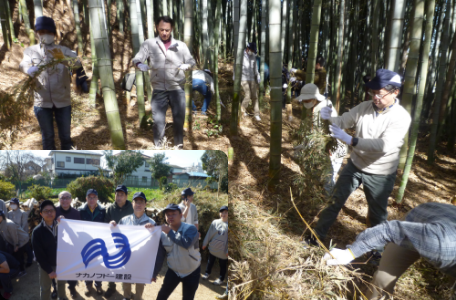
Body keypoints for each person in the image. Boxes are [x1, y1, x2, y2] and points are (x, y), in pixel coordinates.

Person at [309, 69, 412, 250]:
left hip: (380, 173)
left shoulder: (401, 117)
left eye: (379, 94)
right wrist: (329, 118)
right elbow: (343, 121)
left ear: (395, 92)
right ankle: (315, 237)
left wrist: (351, 140)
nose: (375, 98)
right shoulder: (365, 107)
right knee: (334, 202)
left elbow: (384, 145)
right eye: (373, 93)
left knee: (377, 215)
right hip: (355, 165)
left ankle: (376, 253)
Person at [323, 202, 456, 299]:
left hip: (443, 225)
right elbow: (389, 230)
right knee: (382, 281)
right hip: (422, 220)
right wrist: (350, 253)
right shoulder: (443, 245)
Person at [132, 15, 196, 148]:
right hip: (159, 88)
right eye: (161, 30)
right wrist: (139, 64)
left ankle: (179, 146)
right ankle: (159, 147)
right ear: (156, 28)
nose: (164, 33)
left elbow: (191, 61)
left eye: (167, 30)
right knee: (158, 121)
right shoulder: (149, 44)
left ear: (171, 29)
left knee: (179, 120)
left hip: (177, 88)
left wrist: (187, 66)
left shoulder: (181, 45)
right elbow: (137, 58)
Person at [19, 16, 81, 150]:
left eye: (49, 32)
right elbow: (22, 64)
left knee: (65, 136)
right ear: (37, 33)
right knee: (47, 136)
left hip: (63, 100)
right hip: (42, 100)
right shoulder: (31, 51)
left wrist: (64, 59)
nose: (45, 35)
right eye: (42, 32)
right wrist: (29, 69)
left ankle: (67, 153)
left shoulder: (62, 50)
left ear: (54, 34)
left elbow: (77, 63)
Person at [294, 83, 347, 195]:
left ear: (314, 98)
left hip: (333, 149)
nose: (304, 103)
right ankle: (319, 199)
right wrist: (305, 144)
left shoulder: (326, 107)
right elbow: (313, 130)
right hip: (320, 148)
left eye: (306, 100)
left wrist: (328, 142)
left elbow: (336, 127)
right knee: (318, 176)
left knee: (328, 179)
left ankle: (329, 205)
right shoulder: (313, 108)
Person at [112, 191, 155, 300]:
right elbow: (117, 236)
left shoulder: (152, 223)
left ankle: (138, 297)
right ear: (132, 204)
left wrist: (152, 231)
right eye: (136, 202)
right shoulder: (124, 220)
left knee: (140, 281)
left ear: (145, 204)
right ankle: (126, 296)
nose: (139, 204)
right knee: (126, 279)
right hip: (127, 256)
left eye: (141, 202)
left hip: (143, 258)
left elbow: (155, 243)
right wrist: (112, 226)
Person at [152, 204, 201, 300]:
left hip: (192, 271)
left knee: (188, 298)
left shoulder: (191, 229)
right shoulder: (163, 234)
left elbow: (186, 243)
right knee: (162, 295)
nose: (170, 217)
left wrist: (170, 232)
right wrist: (154, 273)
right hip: (173, 271)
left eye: (173, 214)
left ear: (181, 215)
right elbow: (160, 256)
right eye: (168, 214)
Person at [32, 200, 67, 300]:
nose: (49, 213)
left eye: (51, 210)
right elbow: (39, 255)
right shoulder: (37, 232)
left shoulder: (61, 226)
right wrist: (49, 270)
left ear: (55, 212)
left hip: (61, 263)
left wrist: (65, 222)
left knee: (61, 284)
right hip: (45, 265)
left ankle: (63, 298)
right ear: (41, 214)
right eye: (46, 211)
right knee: (45, 288)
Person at [103, 185, 134, 298]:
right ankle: (111, 286)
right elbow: (105, 222)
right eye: (117, 194)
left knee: (126, 263)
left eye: (122, 194)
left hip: (129, 241)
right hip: (113, 241)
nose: (119, 197)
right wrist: (109, 223)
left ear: (126, 196)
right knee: (112, 264)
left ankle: (125, 287)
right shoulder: (110, 208)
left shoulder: (132, 207)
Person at [78, 189, 105, 296]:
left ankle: (98, 285)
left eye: (94, 197)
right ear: (86, 198)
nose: (92, 199)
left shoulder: (103, 210)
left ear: (97, 198)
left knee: (99, 265)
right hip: (85, 243)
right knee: (87, 264)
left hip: (99, 243)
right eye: (90, 197)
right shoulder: (80, 210)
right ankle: (88, 285)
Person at [201, 206, 228, 286]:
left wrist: (228, 250)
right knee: (210, 262)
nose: (223, 214)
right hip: (213, 247)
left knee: (222, 265)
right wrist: (205, 243)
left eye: (226, 212)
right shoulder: (215, 222)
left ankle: (221, 278)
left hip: (223, 251)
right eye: (222, 212)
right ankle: (207, 273)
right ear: (220, 213)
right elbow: (209, 234)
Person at [0, 210, 29, 278]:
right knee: (18, 255)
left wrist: (16, 245)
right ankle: (21, 267)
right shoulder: (1, 223)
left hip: (21, 240)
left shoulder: (9, 224)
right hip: (14, 241)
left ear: (2, 216)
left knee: (17, 255)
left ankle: (22, 271)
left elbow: (14, 235)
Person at [7, 198, 34, 269]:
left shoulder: (23, 213)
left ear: (18, 205)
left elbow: (24, 225)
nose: (12, 205)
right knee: (19, 249)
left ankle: (29, 261)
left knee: (27, 247)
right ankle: (21, 263)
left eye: (14, 204)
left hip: (23, 234)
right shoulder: (9, 213)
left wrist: (19, 233)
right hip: (14, 234)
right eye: (11, 204)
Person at [239, 42, 261, 121]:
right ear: (248, 48)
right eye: (252, 50)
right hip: (243, 78)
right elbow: (236, 66)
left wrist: (257, 75)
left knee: (255, 96)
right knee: (247, 95)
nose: (252, 52)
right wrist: (235, 76)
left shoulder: (253, 56)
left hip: (252, 78)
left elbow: (255, 68)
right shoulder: (241, 55)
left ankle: (257, 114)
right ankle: (242, 111)